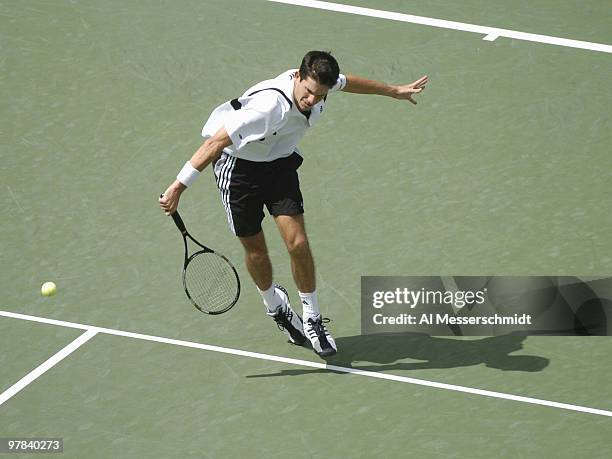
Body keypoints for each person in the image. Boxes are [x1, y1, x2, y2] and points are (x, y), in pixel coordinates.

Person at [159, 50, 427, 357]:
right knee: (257, 252)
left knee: (297, 244)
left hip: (279, 166)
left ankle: (312, 318)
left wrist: (394, 91)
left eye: (319, 95)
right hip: (238, 170)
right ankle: (275, 306)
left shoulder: (321, 83)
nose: (312, 100)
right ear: (298, 77)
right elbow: (214, 143)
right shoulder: (266, 108)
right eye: (309, 92)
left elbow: (348, 82)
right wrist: (179, 186)